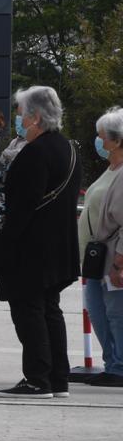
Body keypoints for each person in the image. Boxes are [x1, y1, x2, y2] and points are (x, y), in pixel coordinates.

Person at [0, 87, 80, 398]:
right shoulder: (67, 148)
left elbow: (21, 208)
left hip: (32, 250)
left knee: (29, 312)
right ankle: (58, 378)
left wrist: (2, 244)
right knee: (50, 310)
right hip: (59, 246)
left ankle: (38, 378)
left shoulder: (35, 152)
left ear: (35, 117)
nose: (17, 119)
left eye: (20, 113)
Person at [81, 107, 123, 387]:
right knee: (98, 310)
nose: (98, 141)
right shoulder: (110, 169)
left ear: (116, 140)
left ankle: (118, 366)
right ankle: (113, 362)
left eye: (102, 136)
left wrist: (120, 261)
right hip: (97, 258)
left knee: (114, 312)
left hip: (114, 258)